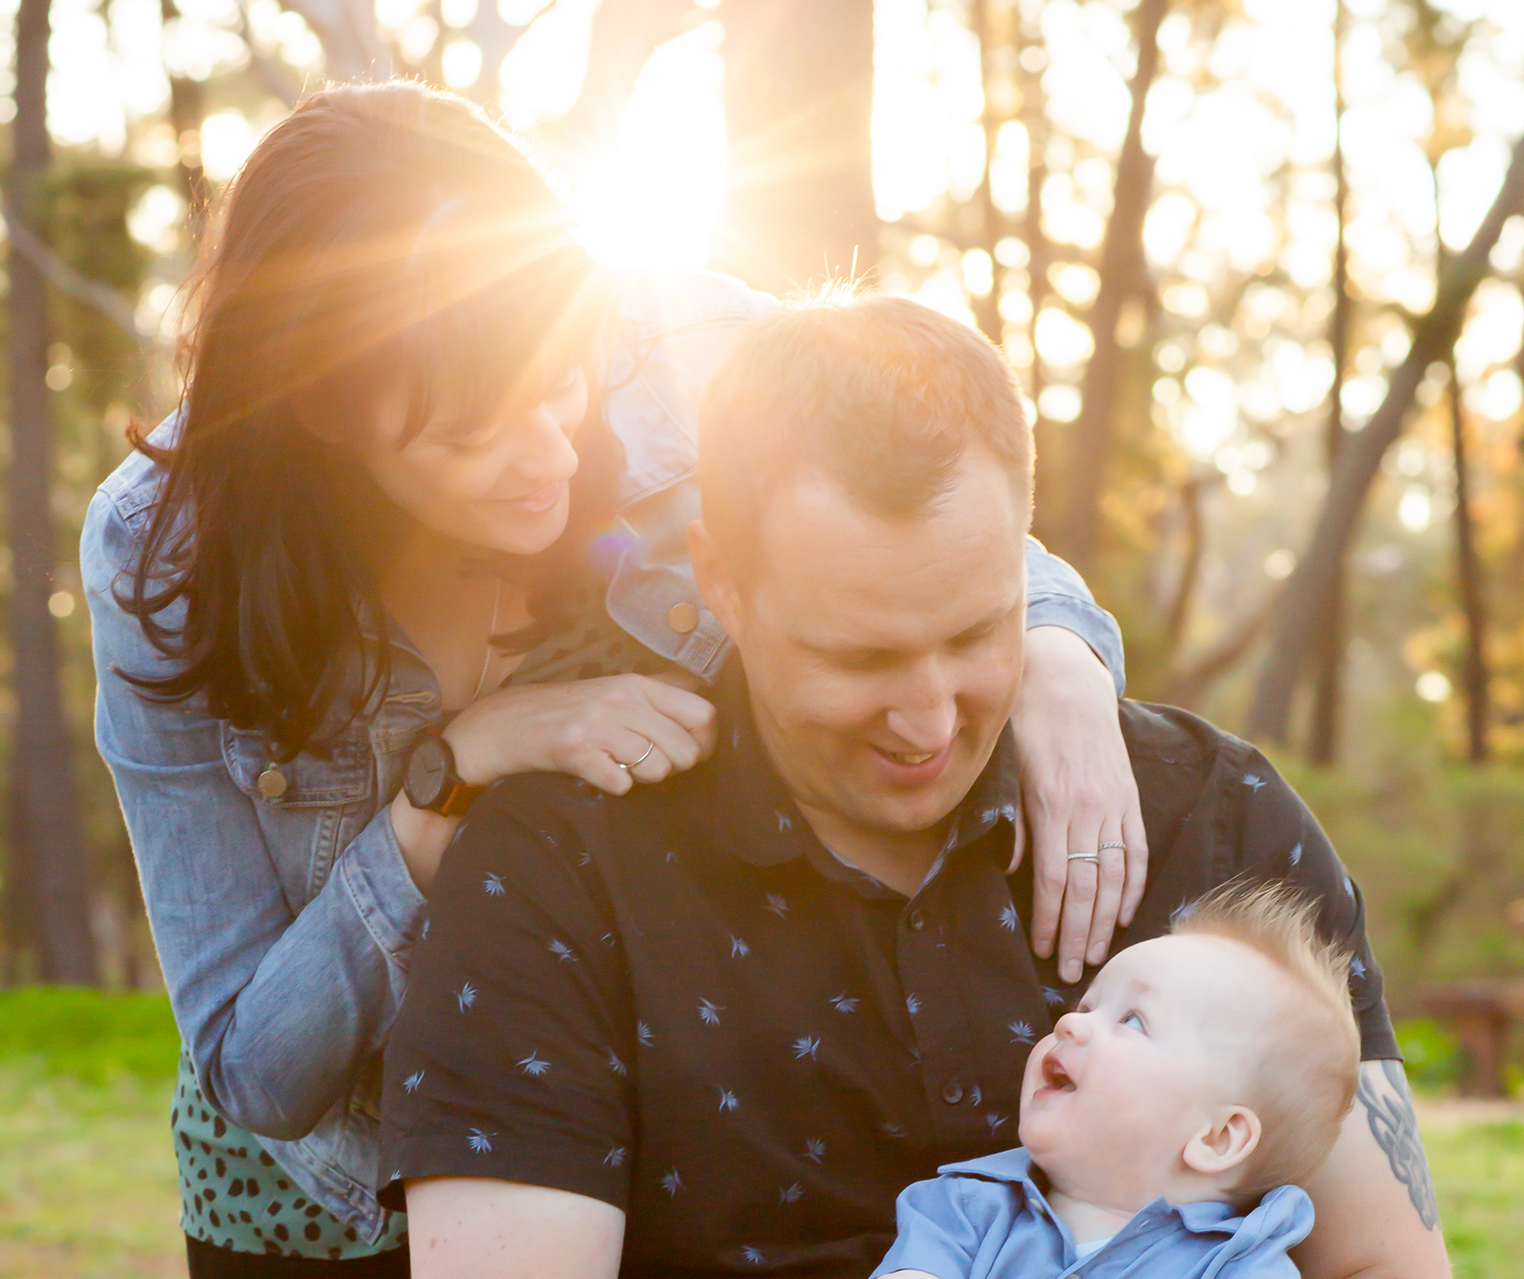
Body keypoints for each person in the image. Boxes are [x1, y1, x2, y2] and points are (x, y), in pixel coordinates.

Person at [83, 83, 1140, 1276]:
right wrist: (460, 775)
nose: (548, 454)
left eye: (559, 383)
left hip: (608, 1140)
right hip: (322, 1207)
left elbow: (947, 503)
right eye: (472, 431)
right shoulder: (160, 552)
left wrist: (1060, 660)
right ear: (324, 402)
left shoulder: (683, 354)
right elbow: (250, 1069)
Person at [377, 292, 1450, 1279]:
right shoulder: (557, 874)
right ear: (721, 583)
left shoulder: (1215, 821)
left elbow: (1380, 1262)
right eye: (860, 658)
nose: (931, 721)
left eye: (977, 632)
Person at [873, 882, 1362, 1279]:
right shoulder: (964, 1211)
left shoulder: (1240, 1267)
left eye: (1132, 1021)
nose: (1070, 1023)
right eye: (1086, 1006)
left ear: (1217, 1137)